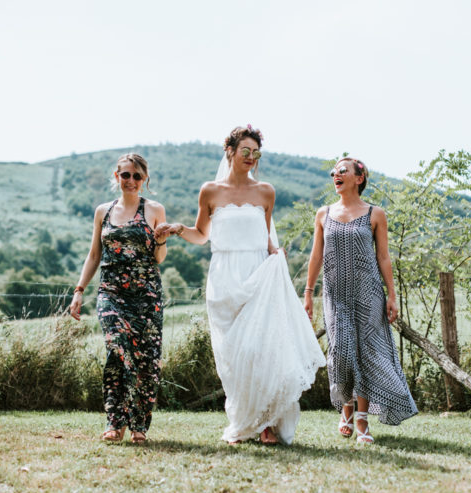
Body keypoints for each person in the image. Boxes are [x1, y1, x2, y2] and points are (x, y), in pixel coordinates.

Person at [157, 125, 325, 445]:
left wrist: (276, 254)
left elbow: (266, 235)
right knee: (232, 356)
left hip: (257, 273)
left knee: (260, 350)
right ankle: (242, 420)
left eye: (256, 153)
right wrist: (179, 229)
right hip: (223, 277)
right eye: (245, 151)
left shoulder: (265, 191)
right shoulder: (210, 191)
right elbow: (202, 234)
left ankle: (266, 424)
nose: (250, 158)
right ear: (230, 151)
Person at [304, 157, 417, 444]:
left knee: (367, 354)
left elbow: (383, 257)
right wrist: (308, 293)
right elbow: (316, 256)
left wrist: (392, 295)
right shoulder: (323, 214)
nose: (335, 175)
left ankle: (362, 420)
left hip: (368, 295)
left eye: (342, 171)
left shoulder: (375, 214)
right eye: (333, 172)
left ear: (359, 178)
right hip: (335, 297)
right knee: (341, 354)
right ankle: (346, 409)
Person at [69, 153, 169, 444]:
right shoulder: (103, 211)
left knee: (146, 359)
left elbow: (159, 257)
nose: (131, 181)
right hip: (111, 292)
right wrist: (79, 291)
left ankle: (138, 425)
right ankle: (115, 420)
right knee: (117, 345)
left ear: (145, 180)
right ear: (117, 177)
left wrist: (160, 238)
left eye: (137, 176)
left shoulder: (154, 210)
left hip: (147, 293)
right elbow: (94, 255)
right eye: (126, 175)